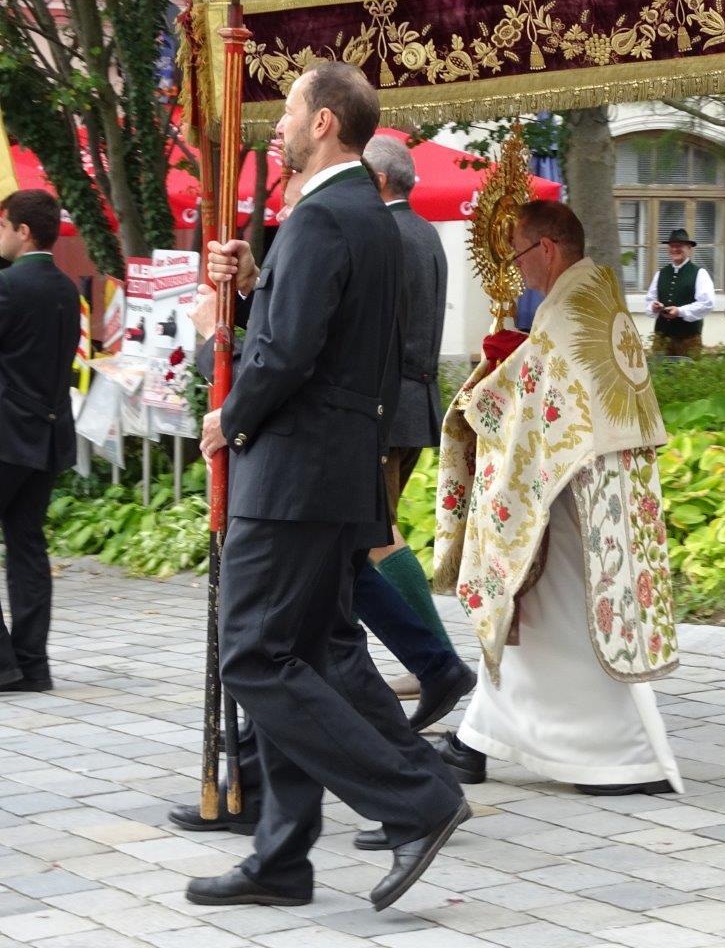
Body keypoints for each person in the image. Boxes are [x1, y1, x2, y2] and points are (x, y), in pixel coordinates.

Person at [184, 62, 468, 911]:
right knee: (306, 656)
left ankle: (416, 800)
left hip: (293, 475)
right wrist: (252, 287)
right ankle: (281, 859)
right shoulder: (369, 216)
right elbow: (314, 331)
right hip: (336, 470)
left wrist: (228, 409)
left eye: (289, 112)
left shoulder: (319, 217)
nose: (277, 127)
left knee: (252, 655)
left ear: (324, 123)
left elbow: (286, 357)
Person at [432, 200, 684, 796]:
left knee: (560, 613)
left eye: (520, 254)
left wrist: (485, 387)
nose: (517, 270)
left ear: (546, 248)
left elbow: (533, 406)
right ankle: (477, 739)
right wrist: (515, 357)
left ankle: (618, 756)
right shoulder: (595, 295)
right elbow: (554, 385)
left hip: (571, 491)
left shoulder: (568, 311)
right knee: (532, 610)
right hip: (591, 485)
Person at [361, 133, 476, 722]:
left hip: (383, 408)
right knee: (368, 534)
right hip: (413, 402)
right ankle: (427, 662)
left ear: (379, 180)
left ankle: (439, 663)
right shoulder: (427, 231)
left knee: (374, 534)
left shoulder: (384, 232)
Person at [0, 189, 79, 693]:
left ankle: (5, 665)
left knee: (26, 544)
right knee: (27, 544)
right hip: (47, 435)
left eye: (2, 225)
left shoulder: (9, 286)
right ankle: (32, 665)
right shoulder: (66, 287)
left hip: (7, 434)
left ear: (23, 230)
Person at [645, 228, 714, 358]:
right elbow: (650, 300)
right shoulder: (661, 273)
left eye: (679, 246)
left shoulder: (699, 273)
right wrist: (654, 307)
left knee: (688, 371)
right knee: (659, 370)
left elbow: (707, 304)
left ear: (689, 248)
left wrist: (680, 311)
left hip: (688, 339)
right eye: (672, 246)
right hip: (662, 338)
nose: (675, 249)